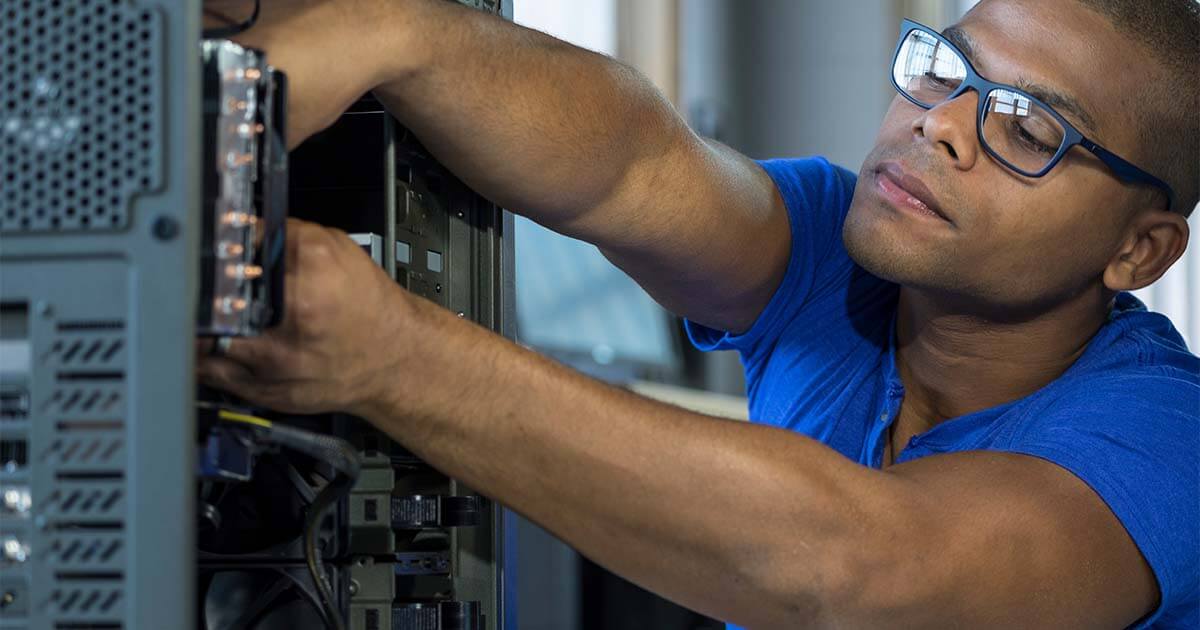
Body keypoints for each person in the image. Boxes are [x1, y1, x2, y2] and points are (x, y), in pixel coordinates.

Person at [198, 0, 1200, 626]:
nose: (941, 125)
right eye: (948, 70)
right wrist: (392, 35)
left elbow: (861, 574)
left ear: (1138, 250)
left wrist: (395, 359)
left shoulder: (1171, 442)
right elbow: (632, 165)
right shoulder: (851, 262)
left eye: (1027, 127)